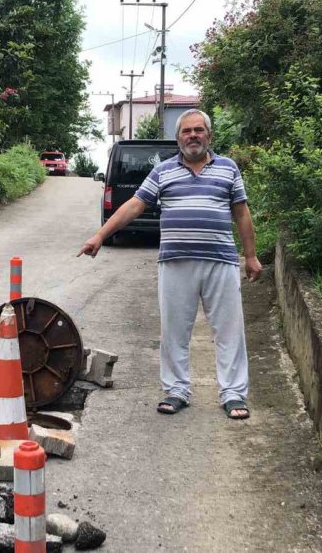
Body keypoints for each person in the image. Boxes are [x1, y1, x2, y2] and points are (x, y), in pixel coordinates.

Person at [76, 109, 262, 420]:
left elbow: (241, 213)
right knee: (174, 331)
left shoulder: (228, 169)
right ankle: (177, 390)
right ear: (178, 139)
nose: (193, 136)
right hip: (176, 263)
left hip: (221, 261)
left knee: (229, 330)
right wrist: (100, 235)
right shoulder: (163, 171)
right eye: (187, 131)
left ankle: (233, 394)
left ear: (209, 136)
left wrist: (251, 256)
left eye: (199, 130)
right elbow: (135, 205)